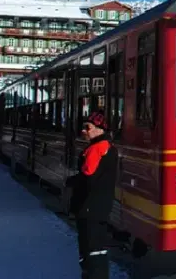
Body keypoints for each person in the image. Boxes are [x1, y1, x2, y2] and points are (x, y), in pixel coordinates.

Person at [67, 112, 118, 279]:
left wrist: (71, 181)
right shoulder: (108, 147)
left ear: (99, 129)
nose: (84, 131)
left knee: (90, 247)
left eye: (87, 127)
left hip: (89, 206)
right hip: (100, 205)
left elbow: (87, 175)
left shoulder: (97, 148)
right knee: (97, 248)